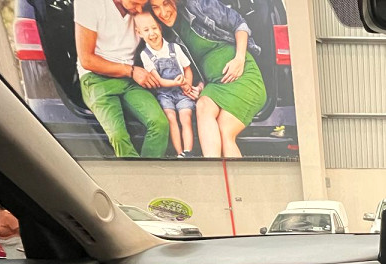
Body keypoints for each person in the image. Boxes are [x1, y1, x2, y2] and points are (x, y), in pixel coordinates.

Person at [150, 0, 267, 158]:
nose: (163, 13)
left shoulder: (198, 5)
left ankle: (230, 174)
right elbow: (194, 67)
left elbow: (239, 24)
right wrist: (199, 86)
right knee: (203, 105)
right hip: (214, 84)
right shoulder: (167, 34)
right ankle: (212, 166)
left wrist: (239, 59)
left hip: (242, 74)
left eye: (166, 3)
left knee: (225, 130)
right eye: (155, 7)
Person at [74, 0, 169, 158]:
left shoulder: (141, 9)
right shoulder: (89, 3)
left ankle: (147, 171)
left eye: (143, 4)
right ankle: (136, 173)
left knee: (160, 124)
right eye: (135, 3)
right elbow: (87, 60)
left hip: (129, 78)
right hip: (96, 78)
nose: (139, 9)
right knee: (119, 137)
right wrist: (131, 71)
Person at [134, 11, 198, 157]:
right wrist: (175, 82)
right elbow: (158, 80)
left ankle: (187, 152)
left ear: (160, 28)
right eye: (146, 30)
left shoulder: (174, 48)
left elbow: (187, 69)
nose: (152, 33)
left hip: (182, 91)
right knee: (171, 118)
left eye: (154, 28)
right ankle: (179, 152)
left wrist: (187, 84)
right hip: (164, 94)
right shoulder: (145, 55)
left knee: (185, 117)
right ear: (139, 33)